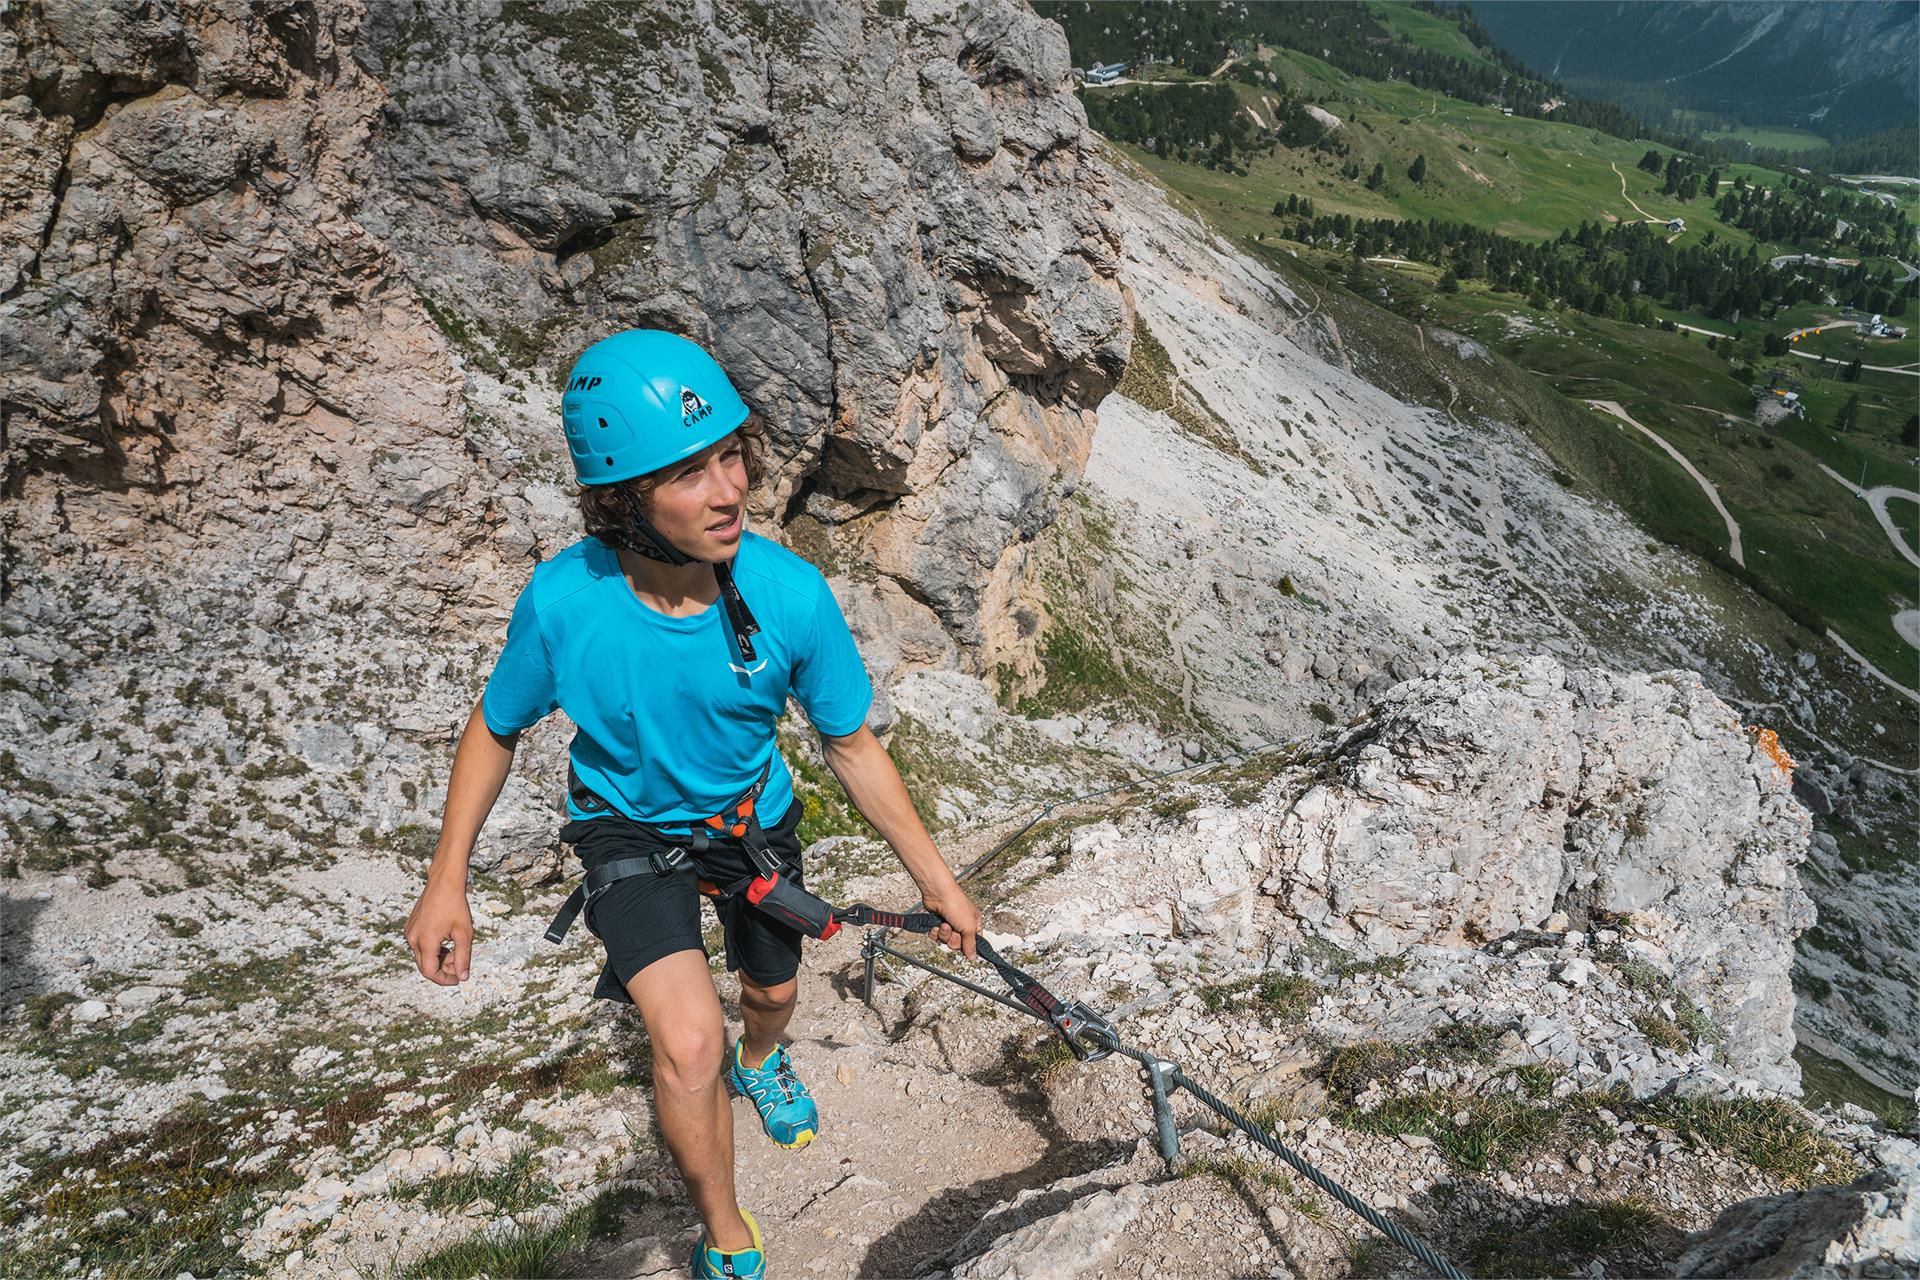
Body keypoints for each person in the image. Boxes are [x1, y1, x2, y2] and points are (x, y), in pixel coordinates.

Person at [403, 329, 984, 1280]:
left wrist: (942, 887)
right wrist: (446, 882)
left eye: (730, 454)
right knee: (684, 1042)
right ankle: (726, 1236)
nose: (728, 491)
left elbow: (851, 745)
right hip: (625, 827)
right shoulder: (564, 602)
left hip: (750, 823)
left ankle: (762, 1063)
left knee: (774, 994)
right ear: (624, 501)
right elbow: (495, 726)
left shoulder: (790, 596)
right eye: (687, 473)